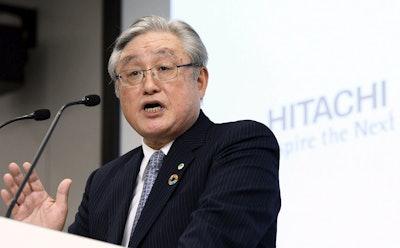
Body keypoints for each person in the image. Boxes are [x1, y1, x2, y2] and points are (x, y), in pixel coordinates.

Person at [1, 15, 281, 247]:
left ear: (200, 81)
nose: (149, 85)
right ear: (119, 92)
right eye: (133, 74)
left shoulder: (241, 146)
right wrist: (40, 239)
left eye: (164, 67)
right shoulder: (104, 182)